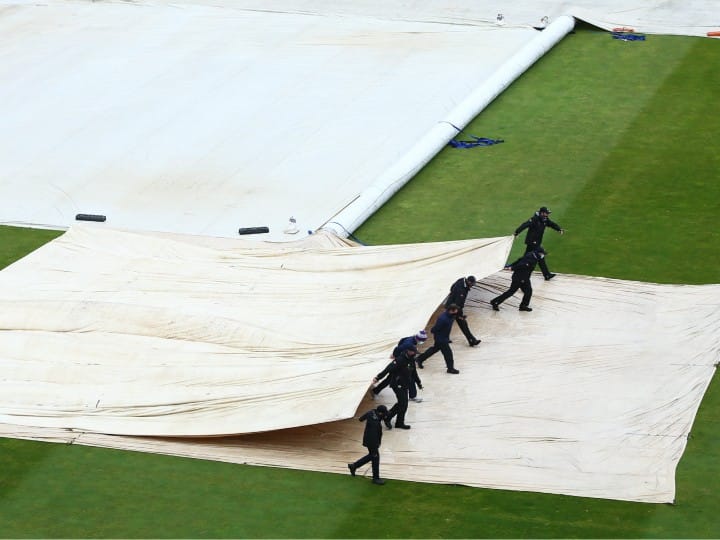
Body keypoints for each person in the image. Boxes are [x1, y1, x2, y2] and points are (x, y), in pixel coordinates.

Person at [374, 347, 422, 429]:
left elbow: (414, 372)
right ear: (408, 351)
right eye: (413, 352)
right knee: (402, 403)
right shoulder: (400, 359)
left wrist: (418, 382)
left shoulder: (411, 360)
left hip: (405, 384)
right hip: (397, 384)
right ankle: (388, 417)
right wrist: (378, 377)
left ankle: (399, 422)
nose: (414, 354)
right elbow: (388, 369)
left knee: (404, 404)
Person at [372, 330, 427, 401]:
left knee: (401, 378)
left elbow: (401, 340)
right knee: (392, 377)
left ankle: (412, 396)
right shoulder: (408, 344)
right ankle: (375, 391)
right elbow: (397, 350)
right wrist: (395, 355)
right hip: (401, 362)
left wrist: (419, 383)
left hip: (405, 361)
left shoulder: (411, 341)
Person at [514, 206, 564, 280]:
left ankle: (515, 267)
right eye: (546, 213)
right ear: (542, 213)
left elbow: (551, 224)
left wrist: (559, 229)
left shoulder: (544, 219)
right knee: (539, 256)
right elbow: (525, 225)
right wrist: (517, 232)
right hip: (532, 242)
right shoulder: (534, 219)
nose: (547, 215)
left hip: (537, 242)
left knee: (528, 257)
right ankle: (545, 275)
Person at [490, 248, 545, 312]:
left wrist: (511, 265)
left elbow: (519, 260)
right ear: (538, 253)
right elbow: (521, 265)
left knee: (528, 291)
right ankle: (495, 302)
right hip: (520, 278)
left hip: (524, 277)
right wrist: (512, 268)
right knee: (511, 292)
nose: (542, 256)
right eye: (542, 254)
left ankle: (523, 306)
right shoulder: (531, 259)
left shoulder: (530, 255)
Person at [347, 404, 388, 485]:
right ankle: (375, 478)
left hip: (367, 439)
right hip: (372, 441)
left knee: (372, 455)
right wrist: (377, 443)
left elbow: (361, 419)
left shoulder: (371, 411)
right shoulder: (376, 423)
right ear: (380, 413)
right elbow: (377, 434)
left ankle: (354, 466)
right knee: (375, 458)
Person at [415, 304, 461, 374]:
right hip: (441, 339)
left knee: (434, 349)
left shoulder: (451, 315)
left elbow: (455, 316)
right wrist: (434, 332)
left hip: (444, 337)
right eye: (456, 311)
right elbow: (435, 329)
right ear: (451, 310)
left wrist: (461, 317)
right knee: (448, 353)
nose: (457, 312)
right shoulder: (443, 319)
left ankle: (420, 359)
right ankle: (450, 368)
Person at [445, 276, 481, 346]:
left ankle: (471, 340)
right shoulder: (461, 290)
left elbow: (452, 287)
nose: (472, 286)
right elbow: (458, 304)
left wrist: (452, 294)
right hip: (453, 309)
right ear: (468, 282)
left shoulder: (461, 280)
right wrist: (460, 315)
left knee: (448, 324)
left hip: (451, 306)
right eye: (472, 284)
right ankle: (472, 340)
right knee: (462, 324)